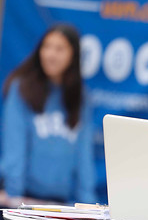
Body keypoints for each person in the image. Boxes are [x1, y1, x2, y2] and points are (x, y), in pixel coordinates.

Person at [0, 23, 96, 206]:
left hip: (57, 203)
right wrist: (14, 198)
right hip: (21, 197)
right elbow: (14, 149)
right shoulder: (21, 89)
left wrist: (89, 205)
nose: (51, 55)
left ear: (73, 55)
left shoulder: (81, 97)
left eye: (59, 49)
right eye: (47, 46)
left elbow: (84, 157)